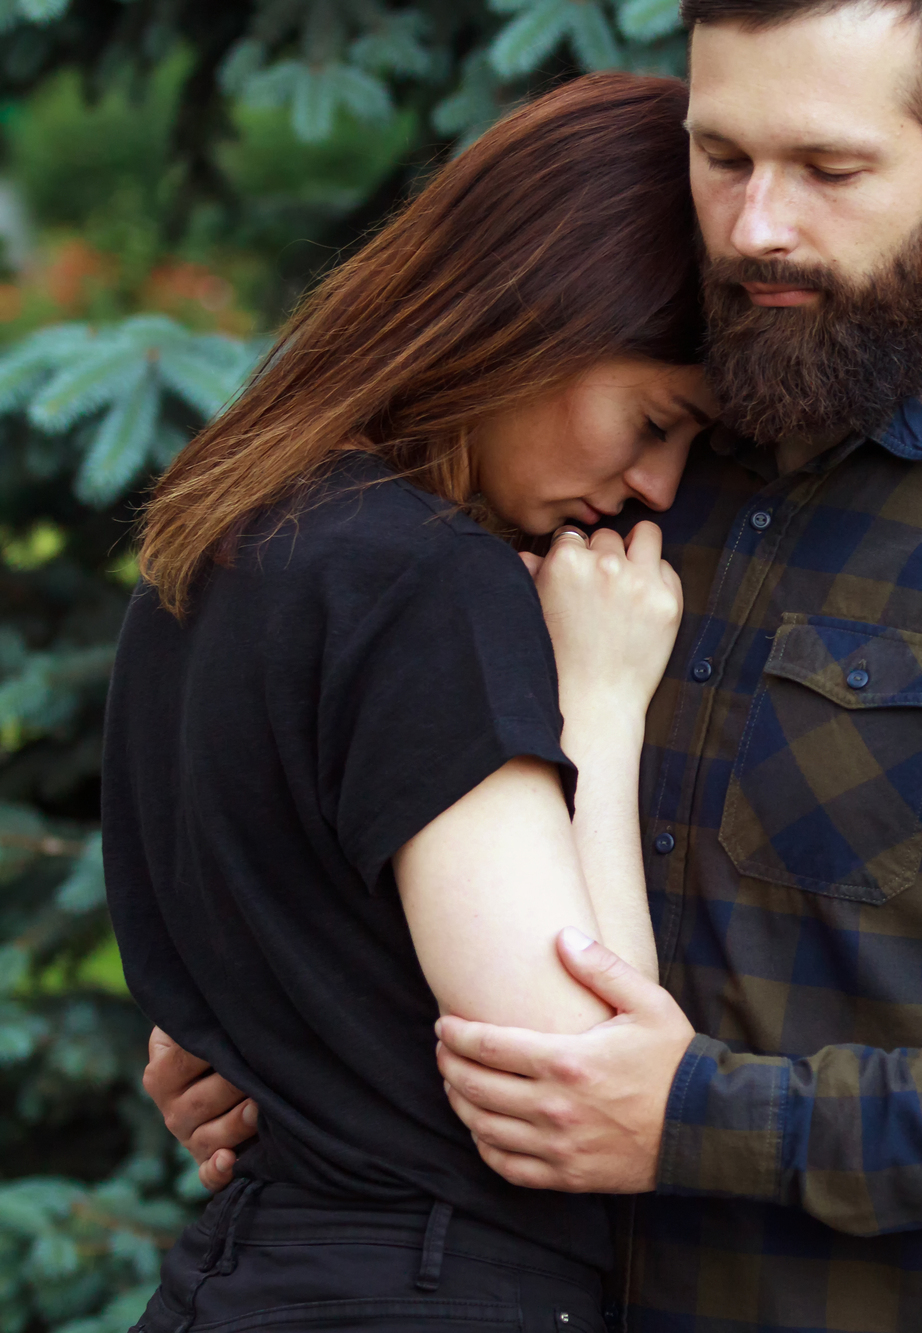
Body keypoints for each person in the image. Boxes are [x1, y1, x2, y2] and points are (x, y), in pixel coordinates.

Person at [146, 1, 922, 1330]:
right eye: (721, 156)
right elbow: (423, 789)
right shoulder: (612, 462)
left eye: (829, 170)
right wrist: (271, 1027)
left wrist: (707, 1122)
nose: (756, 227)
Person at [103, 73, 714, 1332]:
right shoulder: (431, 579)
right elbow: (573, 1069)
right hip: (420, 1284)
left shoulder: (224, 538)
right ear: (541, 311)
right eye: (655, 419)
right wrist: (598, 698)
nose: (654, 486)